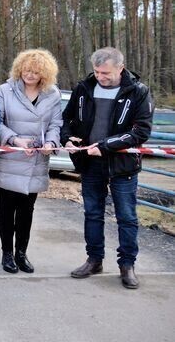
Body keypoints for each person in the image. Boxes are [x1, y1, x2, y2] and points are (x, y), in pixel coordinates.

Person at [62, 47, 152, 289]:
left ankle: (127, 265)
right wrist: (67, 139)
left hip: (122, 165)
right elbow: (67, 119)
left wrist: (105, 146)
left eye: (106, 73)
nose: (101, 76)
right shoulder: (83, 88)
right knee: (92, 214)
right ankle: (94, 259)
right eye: (97, 71)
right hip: (89, 163)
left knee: (127, 217)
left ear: (120, 68)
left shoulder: (138, 92)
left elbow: (141, 131)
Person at [0, 49, 62, 274]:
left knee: (27, 210)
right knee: (7, 210)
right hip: (9, 159)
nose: (30, 75)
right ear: (20, 69)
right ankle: (7, 253)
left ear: (44, 74)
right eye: (27, 70)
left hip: (36, 162)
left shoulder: (53, 94)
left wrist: (51, 143)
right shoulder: (4, 91)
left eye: (36, 71)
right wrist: (14, 139)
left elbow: (55, 124)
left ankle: (22, 253)